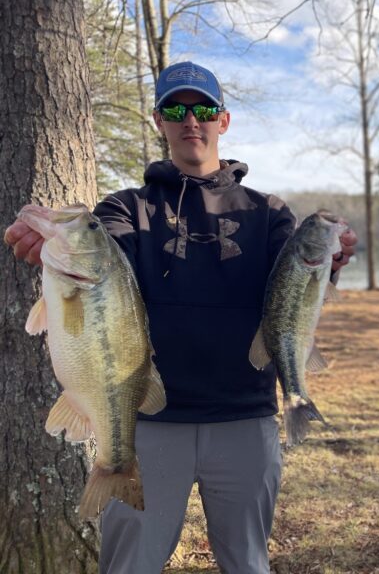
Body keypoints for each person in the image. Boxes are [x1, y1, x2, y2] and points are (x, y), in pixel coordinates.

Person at [5, 60, 358, 574]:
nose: (191, 119)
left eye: (203, 109)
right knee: (130, 564)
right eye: (176, 108)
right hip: (146, 422)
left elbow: (296, 284)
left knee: (248, 563)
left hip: (245, 417)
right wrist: (53, 248)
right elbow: (106, 270)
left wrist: (335, 257)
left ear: (224, 120)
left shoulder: (270, 212)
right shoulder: (125, 208)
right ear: (159, 120)